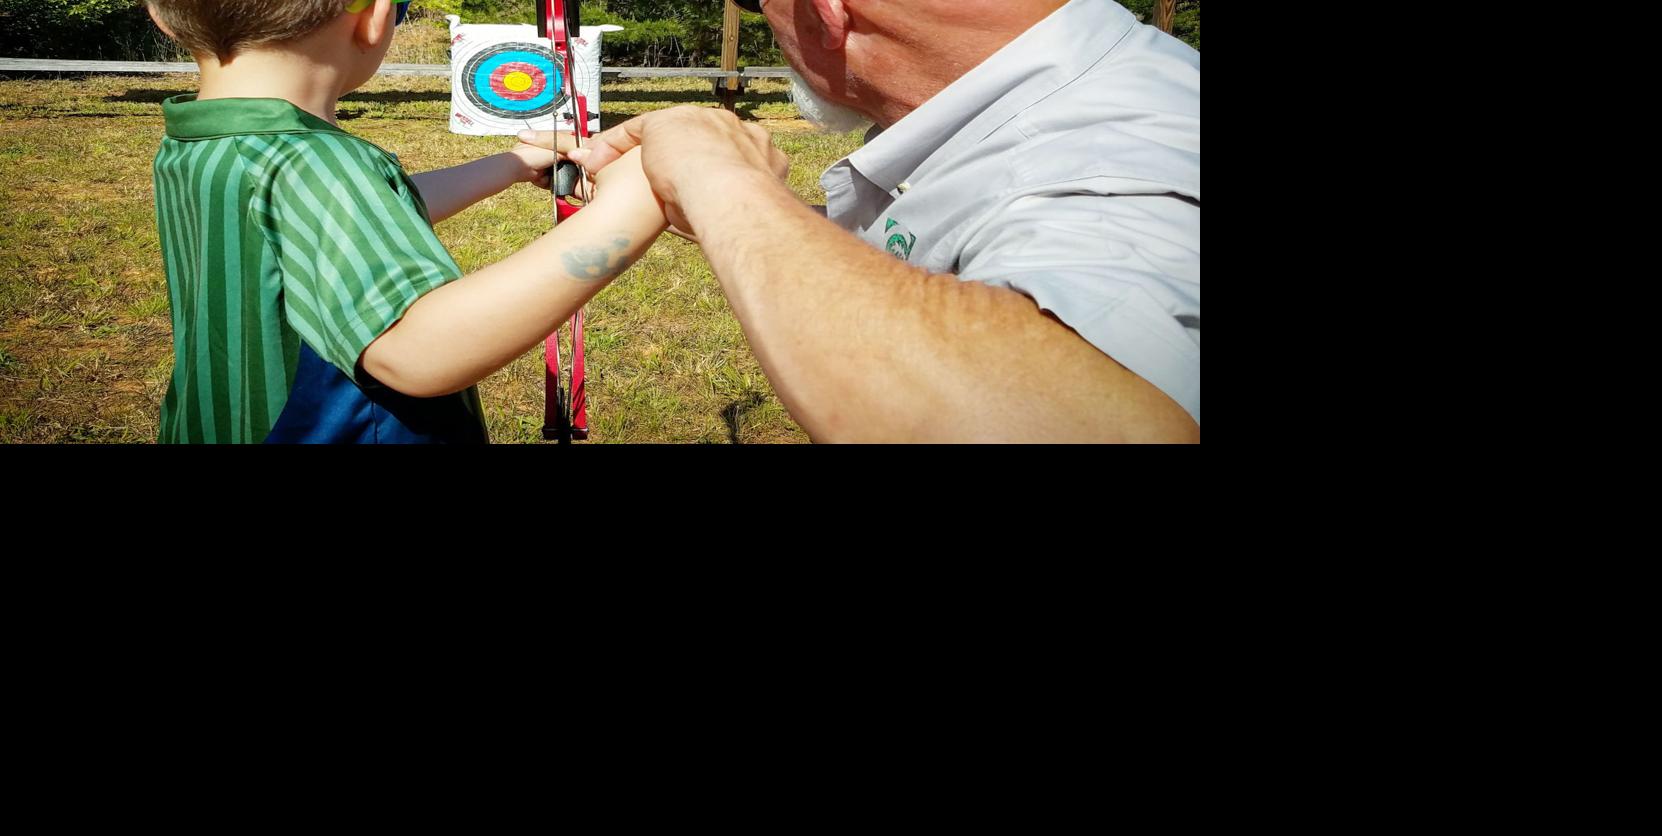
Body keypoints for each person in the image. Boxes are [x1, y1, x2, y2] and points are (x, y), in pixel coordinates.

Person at [548, 0, 1199, 442]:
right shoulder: (1091, 95)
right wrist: (738, 212)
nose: (774, 31)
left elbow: (1061, 418)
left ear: (826, 11)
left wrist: (715, 175)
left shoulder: (1112, 159)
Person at [145, 0, 670, 442]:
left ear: (162, 15)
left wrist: (512, 164)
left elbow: (345, 217)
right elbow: (418, 352)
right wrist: (634, 203)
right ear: (376, 16)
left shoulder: (204, 141)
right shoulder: (314, 163)